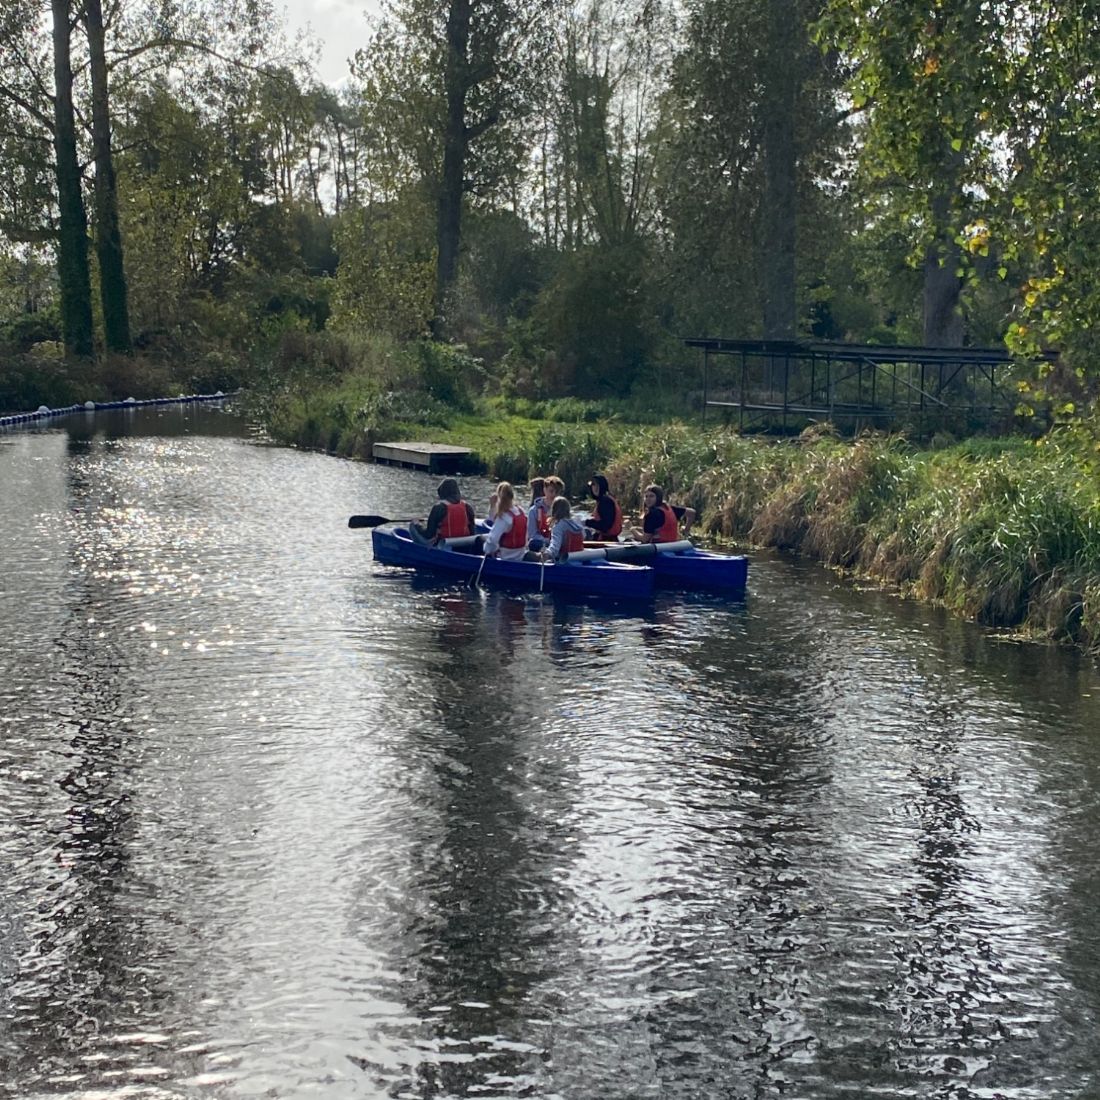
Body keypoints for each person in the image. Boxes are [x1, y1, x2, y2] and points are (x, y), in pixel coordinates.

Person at [410, 477, 476, 545]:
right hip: (463, 545)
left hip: (442, 546)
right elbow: (472, 533)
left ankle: (418, 550)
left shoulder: (438, 508)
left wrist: (417, 524)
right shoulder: (467, 507)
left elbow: (428, 535)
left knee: (412, 525)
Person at [482, 481, 529, 561]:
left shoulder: (504, 517)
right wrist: (492, 506)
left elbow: (492, 540)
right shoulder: (521, 511)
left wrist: (486, 550)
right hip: (520, 555)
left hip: (505, 557)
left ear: (499, 498)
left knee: (479, 541)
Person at [542, 496, 586, 562]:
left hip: (564, 562)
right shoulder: (576, 523)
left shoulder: (558, 526)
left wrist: (546, 554)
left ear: (554, 510)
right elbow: (584, 535)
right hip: (578, 560)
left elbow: (555, 548)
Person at [527, 475, 564, 545]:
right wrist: (549, 541)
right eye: (551, 491)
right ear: (544, 490)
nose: (554, 495)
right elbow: (532, 535)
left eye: (557, 492)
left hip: (559, 544)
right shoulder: (534, 511)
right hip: (542, 545)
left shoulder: (563, 510)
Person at [584, 474, 623, 541]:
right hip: (605, 539)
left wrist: (586, 522)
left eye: (597, 485)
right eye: (593, 485)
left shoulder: (605, 501)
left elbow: (605, 525)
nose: (595, 488)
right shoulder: (603, 500)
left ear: (602, 486)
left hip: (607, 541)